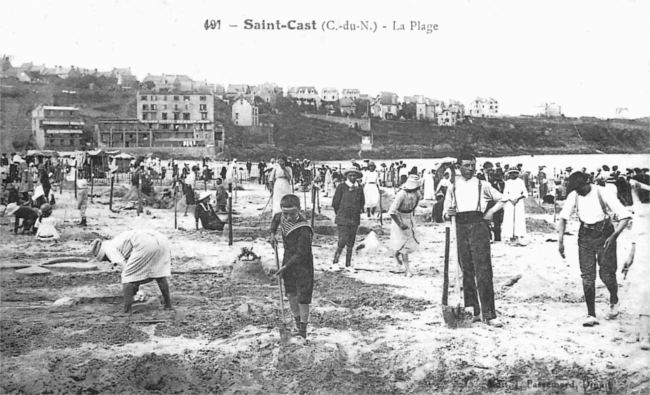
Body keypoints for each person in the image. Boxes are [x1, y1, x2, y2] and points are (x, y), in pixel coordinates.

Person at [557, 172, 632, 327]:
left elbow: (625, 216)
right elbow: (563, 218)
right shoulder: (574, 196)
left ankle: (614, 299)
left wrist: (614, 236)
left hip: (605, 233)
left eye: (581, 188)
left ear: (588, 182)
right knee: (587, 276)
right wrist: (560, 240)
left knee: (606, 274)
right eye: (576, 189)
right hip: (585, 235)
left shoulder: (603, 192)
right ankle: (591, 314)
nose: (580, 191)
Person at [444, 153, 507, 327]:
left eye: (472, 165)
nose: (470, 168)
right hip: (460, 227)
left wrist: (490, 213)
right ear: (459, 167)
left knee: (483, 270)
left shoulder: (483, 185)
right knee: (466, 270)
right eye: (466, 165)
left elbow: (503, 198)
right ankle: (473, 310)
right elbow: (445, 210)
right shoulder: (452, 187)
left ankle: (489, 314)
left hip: (478, 226)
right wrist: (447, 213)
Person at [91, 229, 173, 314]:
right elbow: (135, 269)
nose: (109, 261)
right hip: (161, 240)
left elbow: (126, 269)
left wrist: (133, 287)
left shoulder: (109, 250)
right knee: (159, 273)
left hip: (144, 244)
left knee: (126, 276)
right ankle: (168, 305)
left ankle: (126, 310)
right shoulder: (116, 241)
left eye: (106, 259)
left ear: (103, 255)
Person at [269, 194, 314, 339]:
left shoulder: (304, 228)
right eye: (285, 213)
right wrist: (272, 234)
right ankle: (296, 323)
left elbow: (302, 253)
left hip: (303, 264)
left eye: (292, 213)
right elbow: (275, 219)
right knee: (291, 294)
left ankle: (303, 329)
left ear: (299, 210)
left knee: (303, 297)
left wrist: (286, 266)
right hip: (287, 261)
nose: (287, 217)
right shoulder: (280, 216)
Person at [623, 179, 650, 350]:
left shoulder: (640, 211)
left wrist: (629, 260)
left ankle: (644, 336)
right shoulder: (641, 210)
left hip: (643, 253)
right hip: (643, 252)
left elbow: (633, 242)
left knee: (644, 294)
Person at [389, 174, 422, 277]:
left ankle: (396, 254)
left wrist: (412, 216)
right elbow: (392, 211)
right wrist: (400, 223)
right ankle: (407, 269)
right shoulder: (401, 194)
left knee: (409, 241)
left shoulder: (417, 194)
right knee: (403, 245)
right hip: (400, 218)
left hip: (410, 218)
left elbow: (415, 205)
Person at [332, 167, 365, 268]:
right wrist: (341, 213)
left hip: (354, 218)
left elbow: (362, 202)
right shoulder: (341, 187)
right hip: (343, 218)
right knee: (342, 240)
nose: (352, 177)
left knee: (351, 242)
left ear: (357, 177)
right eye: (350, 175)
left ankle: (348, 264)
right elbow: (335, 203)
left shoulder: (359, 188)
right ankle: (335, 262)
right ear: (346, 176)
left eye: (354, 175)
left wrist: (356, 211)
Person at [502, 166, 528, 244]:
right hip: (510, 202)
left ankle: (520, 237)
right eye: (511, 173)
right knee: (510, 219)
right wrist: (510, 199)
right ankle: (511, 237)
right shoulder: (507, 182)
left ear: (517, 174)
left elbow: (525, 193)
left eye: (515, 173)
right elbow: (505, 193)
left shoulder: (520, 182)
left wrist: (517, 199)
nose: (513, 175)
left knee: (519, 219)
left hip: (519, 202)